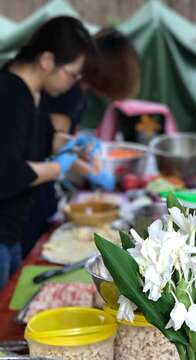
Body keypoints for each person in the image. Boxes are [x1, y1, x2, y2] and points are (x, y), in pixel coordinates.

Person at [21, 28, 140, 256]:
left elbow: (68, 140)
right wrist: (90, 170)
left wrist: (84, 152)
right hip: (28, 197)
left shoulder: (78, 91)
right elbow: (56, 148)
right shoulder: (67, 91)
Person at [0, 16, 94, 289]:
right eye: (72, 73)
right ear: (46, 60)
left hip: (12, 232)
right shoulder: (10, 94)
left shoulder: (34, 93)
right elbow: (7, 173)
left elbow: (41, 140)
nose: (73, 83)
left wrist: (72, 146)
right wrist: (58, 168)